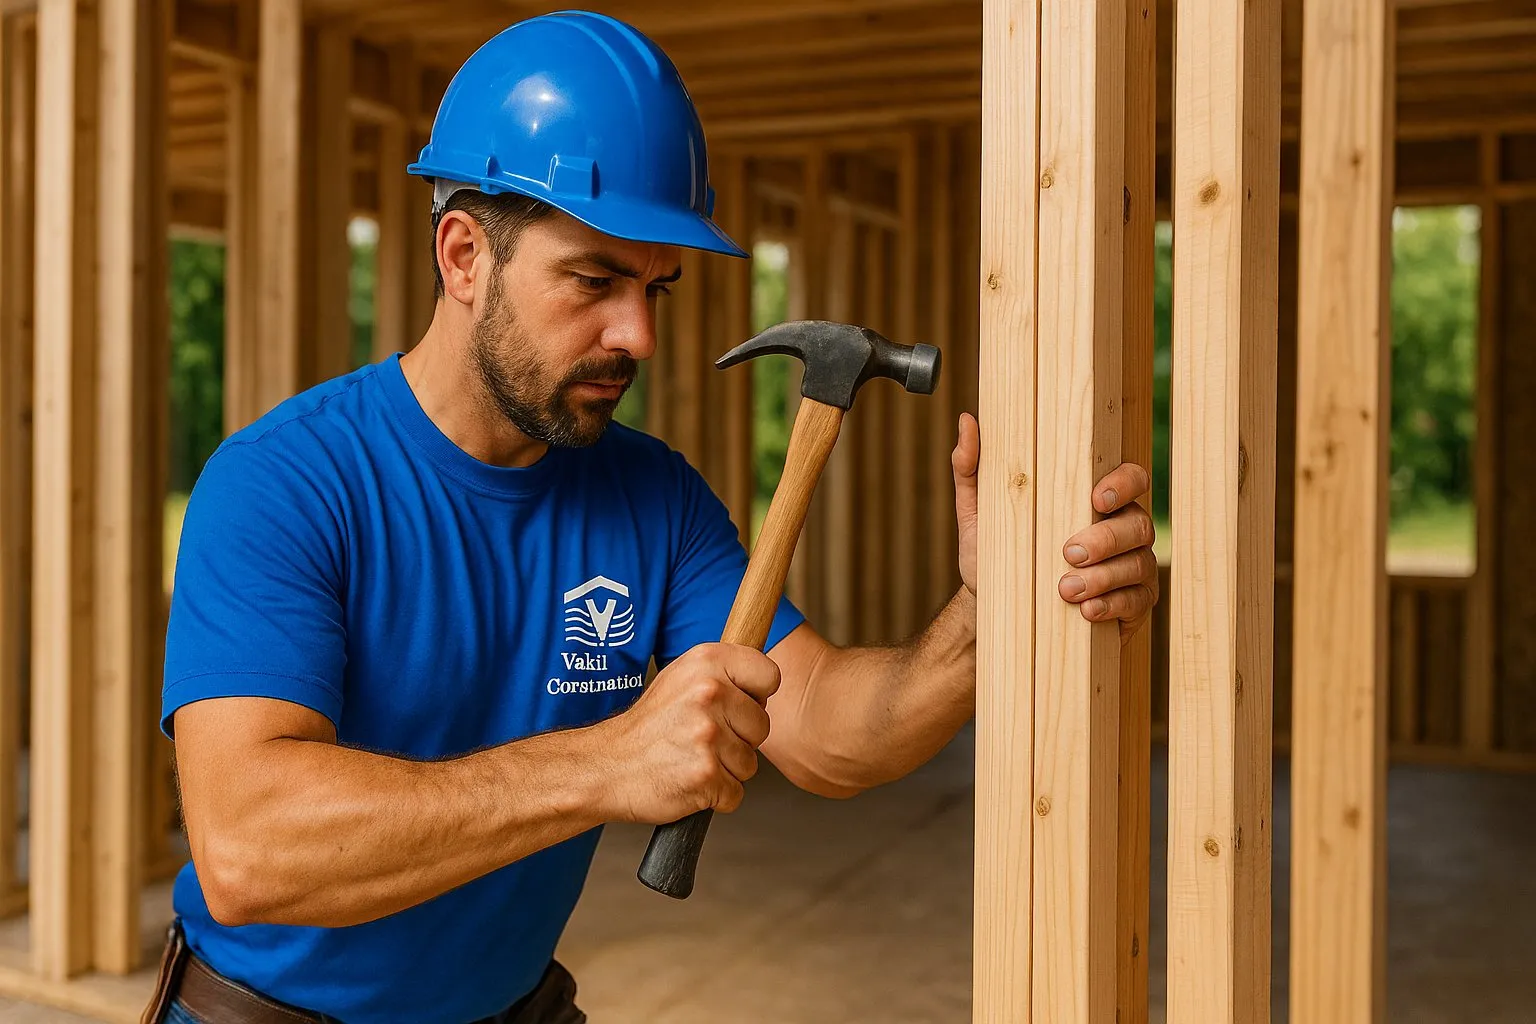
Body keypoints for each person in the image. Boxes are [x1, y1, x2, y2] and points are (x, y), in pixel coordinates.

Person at [149, 11, 1159, 1024]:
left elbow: (830, 734)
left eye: (656, 288)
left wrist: (987, 612)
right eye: (594, 280)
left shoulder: (654, 499)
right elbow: (250, 849)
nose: (637, 333)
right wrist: (608, 761)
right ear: (462, 257)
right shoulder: (286, 483)